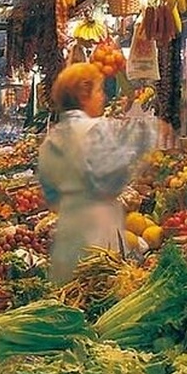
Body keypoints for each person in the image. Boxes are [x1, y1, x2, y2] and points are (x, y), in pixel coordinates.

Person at [38, 63, 160, 284]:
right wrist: (137, 159)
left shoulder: (50, 139)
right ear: (83, 95)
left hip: (67, 234)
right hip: (98, 234)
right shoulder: (96, 129)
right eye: (98, 91)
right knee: (98, 297)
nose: (102, 97)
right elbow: (111, 182)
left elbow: (51, 197)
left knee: (67, 296)